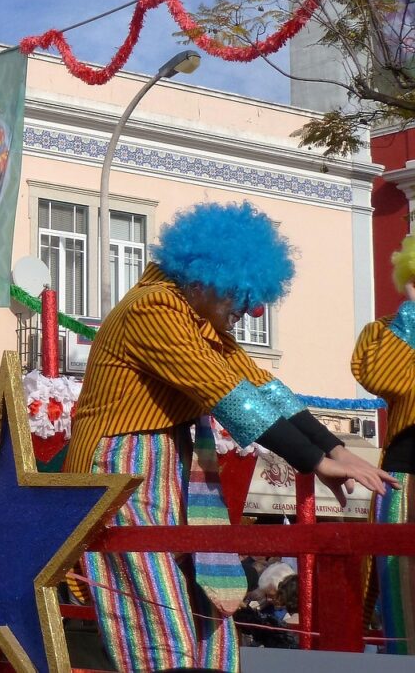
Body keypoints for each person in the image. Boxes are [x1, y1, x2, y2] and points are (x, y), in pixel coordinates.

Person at [64, 201, 396, 673]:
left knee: (209, 615)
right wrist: (316, 462)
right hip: (124, 469)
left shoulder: (200, 321)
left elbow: (265, 389)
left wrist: (337, 449)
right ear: (205, 280)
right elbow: (226, 395)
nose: (245, 310)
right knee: (158, 619)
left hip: (178, 467)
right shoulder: (153, 309)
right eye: (236, 299)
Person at [350, 233, 415, 655]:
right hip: (408, 472)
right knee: (402, 594)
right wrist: (411, 316)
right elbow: (380, 376)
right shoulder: (387, 332)